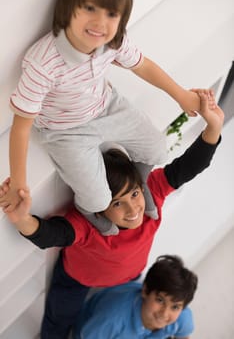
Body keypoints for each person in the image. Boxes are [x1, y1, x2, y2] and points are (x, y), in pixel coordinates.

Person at [0, 92, 224, 339]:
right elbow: (51, 234)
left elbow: (189, 166)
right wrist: (21, 218)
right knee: (57, 322)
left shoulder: (153, 193)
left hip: (127, 277)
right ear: (100, 208)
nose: (133, 209)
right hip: (77, 279)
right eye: (117, 203)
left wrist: (213, 125)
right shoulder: (89, 225)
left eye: (135, 194)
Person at [0, 0, 216, 236]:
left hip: (107, 106)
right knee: (97, 200)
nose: (100, 23)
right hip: (65, 131)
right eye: (90, 8)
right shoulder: (43, 64)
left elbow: (142, 65)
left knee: (156, 147)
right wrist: (18, 180)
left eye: (112, 14)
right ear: (67, 8)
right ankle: (90, 211)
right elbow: (20, 127)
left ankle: (139, 182)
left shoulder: (112, 41)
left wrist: (181, 95)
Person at [73, 254, 198, 339]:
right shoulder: (112, 319)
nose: (164, 314)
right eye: (160, 300)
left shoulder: (182, 318)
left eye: (175, 307)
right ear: (145, 291)